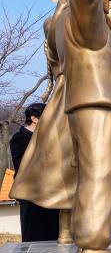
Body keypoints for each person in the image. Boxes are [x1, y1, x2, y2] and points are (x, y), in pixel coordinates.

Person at [9, 103, 60, 242]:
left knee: (54, 234)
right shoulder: (19, 138)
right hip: (30, 193)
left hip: (52, 191)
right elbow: (28, 165)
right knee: (34, 235)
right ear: (34, 118)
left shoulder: (50, 137)